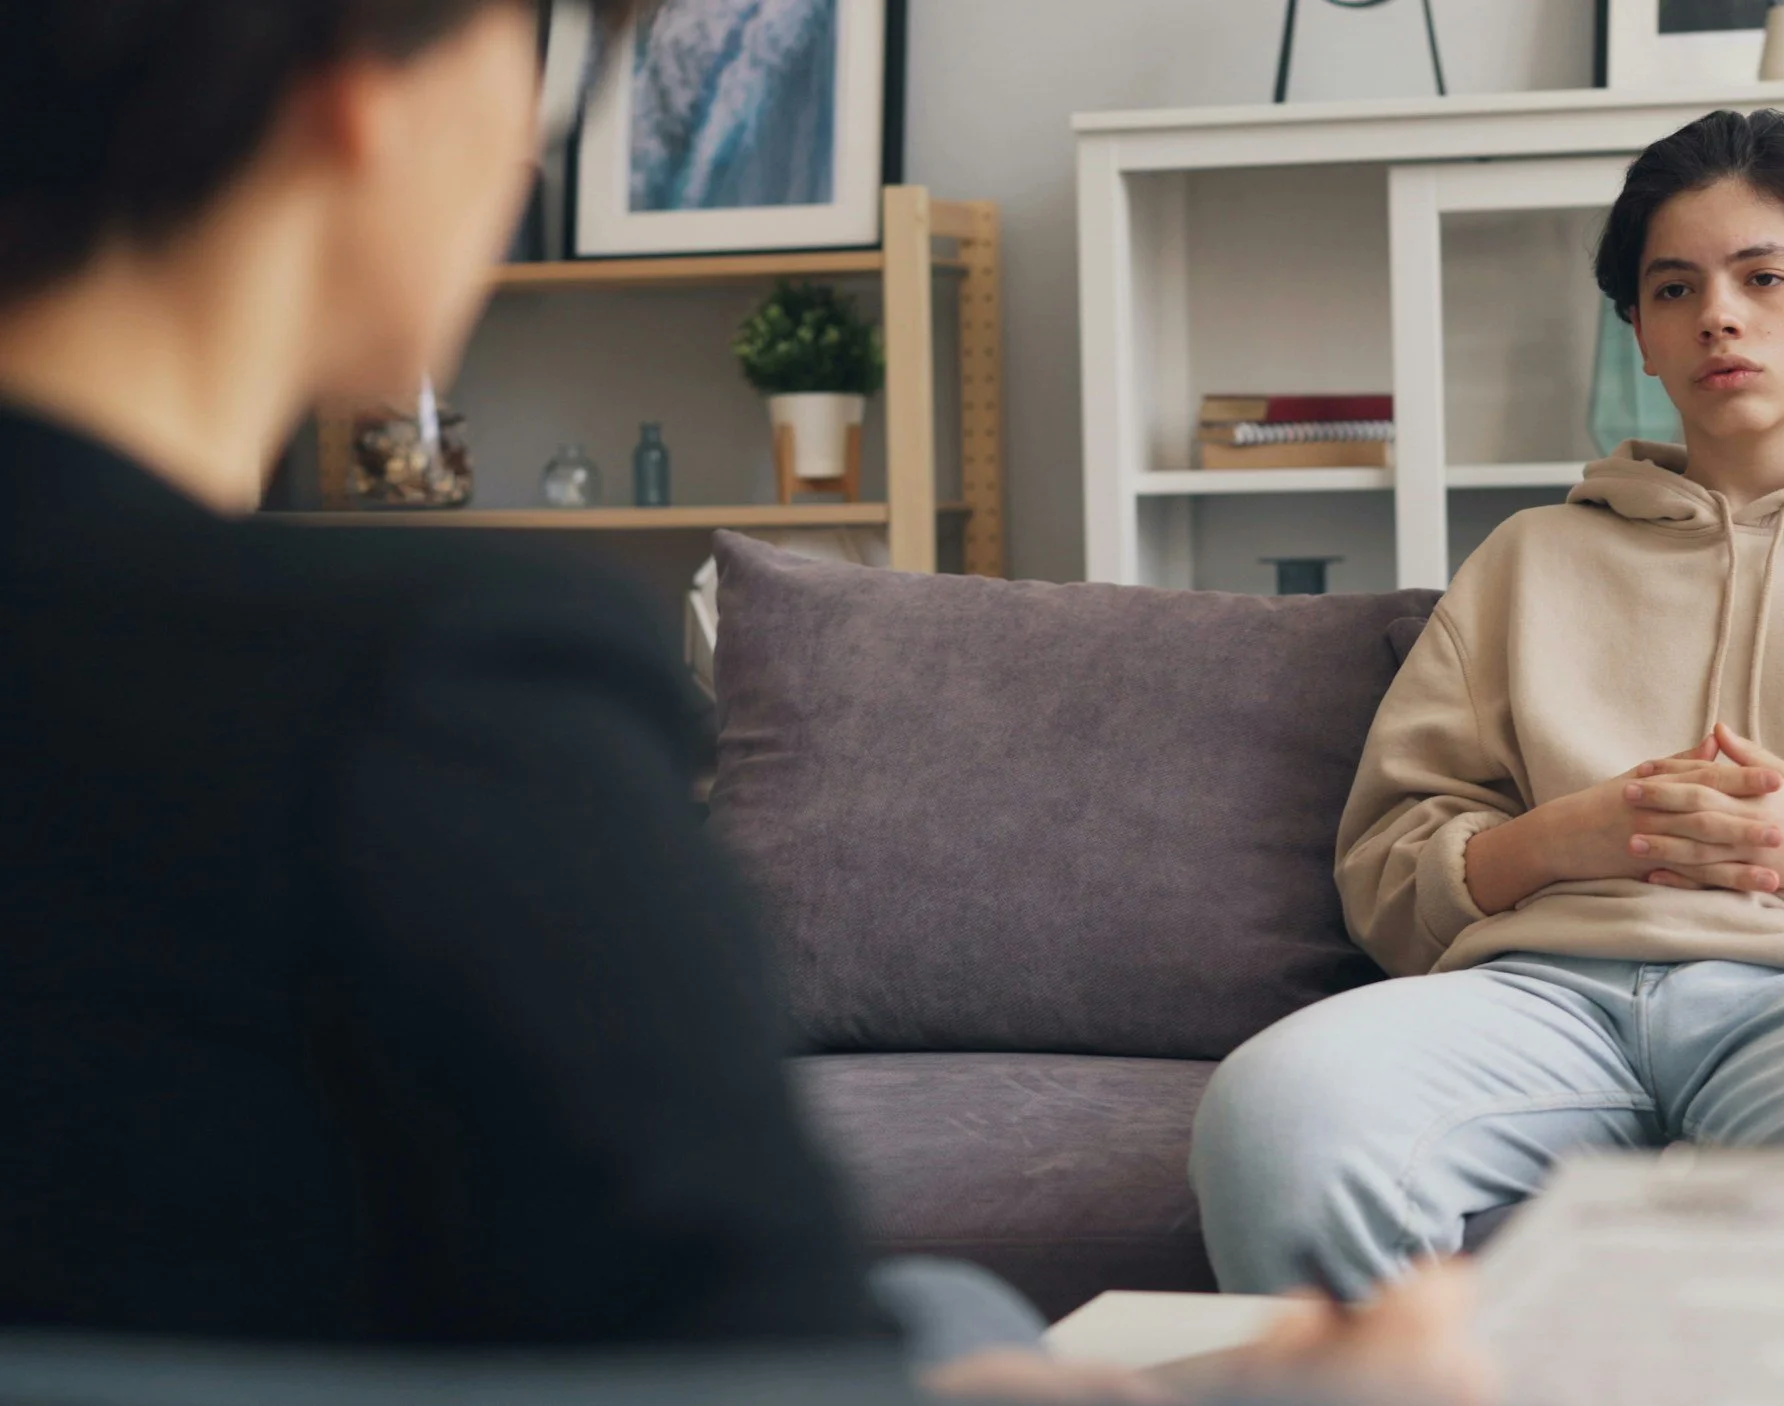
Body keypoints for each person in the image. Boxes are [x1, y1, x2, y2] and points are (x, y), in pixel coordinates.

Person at [0, 3, 1489, 1401]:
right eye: (540, 82)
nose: (527, 166)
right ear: (358, 102)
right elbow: (763, 1369)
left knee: (945, 1311)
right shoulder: (446, 691)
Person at [1190, 108, 1784, 1298]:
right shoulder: (1527, 559)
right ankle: (1397, 1379)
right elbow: (1388, 872)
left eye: (1763, 276)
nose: (1718, 314)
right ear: (1642, 337)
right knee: (1275, 1109)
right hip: (1542, 997)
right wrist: (1566, 837)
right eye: (1674, 289)